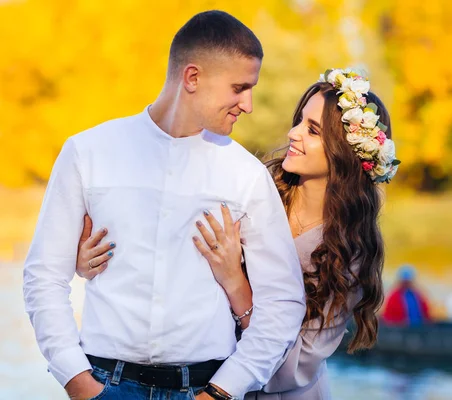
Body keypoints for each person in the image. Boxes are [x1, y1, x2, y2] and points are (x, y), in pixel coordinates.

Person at [23, 11, 307, 400]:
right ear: (193, 78)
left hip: (205, 387)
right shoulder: (87, 152)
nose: (249, 104)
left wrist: (225, 391)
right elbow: (44, 277)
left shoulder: (246, 175)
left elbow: (283, 302)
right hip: (103, 383)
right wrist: (77, 381)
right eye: (239, 88)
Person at [77, 68, 400, 399]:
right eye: (300, 120)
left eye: (313, 130)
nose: (293, 133)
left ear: (343, 153)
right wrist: (92, 260)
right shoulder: (253, 187)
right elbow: (168, 238)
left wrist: (235, 281)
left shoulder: (350, 252)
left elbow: (295, 366)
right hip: (200, 381)